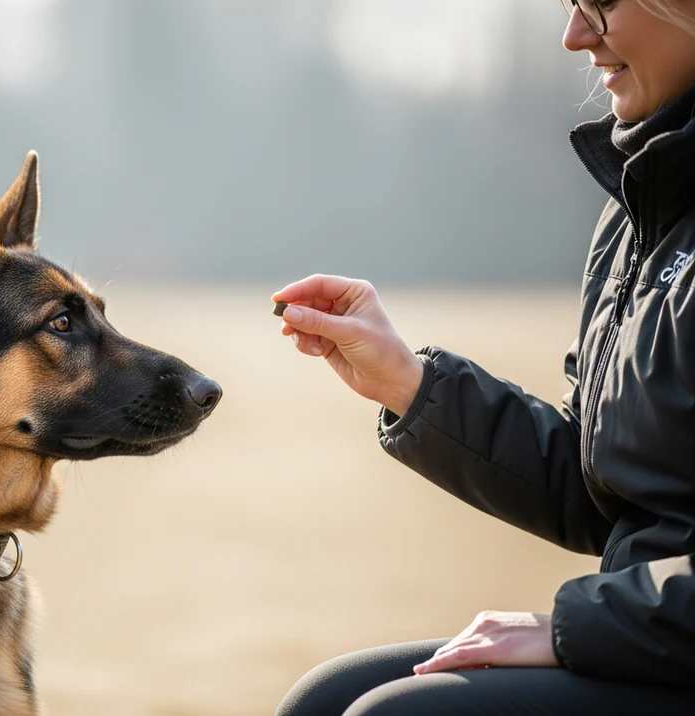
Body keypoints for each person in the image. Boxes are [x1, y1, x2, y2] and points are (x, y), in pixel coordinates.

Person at [273, 1, 695, 714]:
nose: (575, 36)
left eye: (602, 3)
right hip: (653, 641)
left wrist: (573, 629)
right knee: (325, 698)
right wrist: (410, 384)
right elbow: (609, 489)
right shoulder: (643, 207)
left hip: (657, 638)